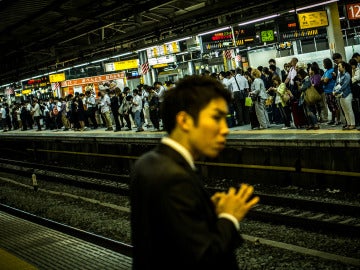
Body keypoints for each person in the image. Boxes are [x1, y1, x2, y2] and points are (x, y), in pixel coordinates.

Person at [130, 75, 259, 270]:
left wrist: (206, 214)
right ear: (185, 120)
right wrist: (229, 217)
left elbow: (172, 243)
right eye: (216, 117)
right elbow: (204, 258)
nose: (224, 129)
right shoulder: (174, 178)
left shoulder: (147, 163)